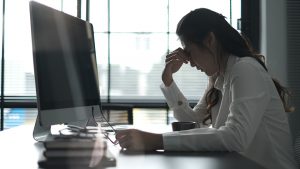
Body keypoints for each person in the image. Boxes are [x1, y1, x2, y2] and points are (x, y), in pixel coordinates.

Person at [115, 8, 298, 169]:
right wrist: (168, 80)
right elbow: (193, 121)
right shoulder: (220, 75)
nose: (190, 62)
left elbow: (235, 137)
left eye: (189, 51)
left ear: (210, 39)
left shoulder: (245, 68)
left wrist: (157, 140)